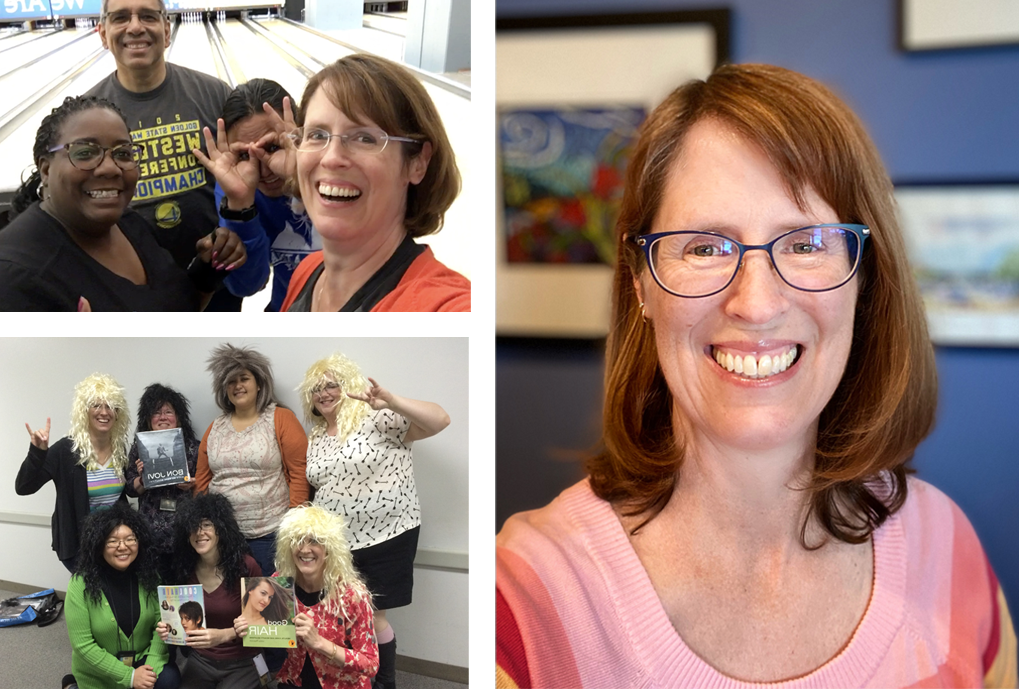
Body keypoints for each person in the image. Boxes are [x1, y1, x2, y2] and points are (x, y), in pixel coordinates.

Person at [495, 64, 1019, 688]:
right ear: (641, 285)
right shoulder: (528, 597)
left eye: (804, 243)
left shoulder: (946, 546)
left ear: (864, 280)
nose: (757, 304)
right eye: (706, 246)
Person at [0, 95, 245, 311]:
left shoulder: (128, 224)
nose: (110, 168)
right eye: (84, 153)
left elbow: (173, 310)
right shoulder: (16, 274)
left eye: (122, 153)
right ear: (45, 169)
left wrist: (208, 270)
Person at [300, 353, 450, 689]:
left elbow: (441, 420)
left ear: (347, 386)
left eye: (331, 385)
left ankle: (384, 682)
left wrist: (392, 400)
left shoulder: (377, 417)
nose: (323, 393)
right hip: (336, 544)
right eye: (316, 389)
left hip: (387, 535)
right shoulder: (317, 436)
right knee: (343, 614)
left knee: (374, 615)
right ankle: (350, 678)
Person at [86, 0, 248, 311]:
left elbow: (248, 182)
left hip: (217, 272)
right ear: (103, 33)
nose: (135, 26)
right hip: (133, 284)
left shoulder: (215, 93)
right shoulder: (86, 114)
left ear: (167, 29)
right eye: (121, 17)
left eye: (148, 15)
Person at [278, 54, 470, 312]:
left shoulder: (446, 306)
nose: (332, 158)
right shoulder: (308, 271)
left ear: (417, 163)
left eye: (364, 138)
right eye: (317, 135)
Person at [194, 78, 322, 311]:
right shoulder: (235, 183)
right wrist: (241, 206)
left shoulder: (328, 167)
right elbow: (246, 285)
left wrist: (304, 177)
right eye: (244, 156)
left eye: (273, 148)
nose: (263, 169)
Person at [196, 344, 309, 577]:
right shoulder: (214, 428)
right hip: (224, 536)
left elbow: (299, 472)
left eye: (244, 379)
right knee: (232, 602)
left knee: (272, 603)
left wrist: (294, 523)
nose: (238, 386)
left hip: (269, 534)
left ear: (259, 384)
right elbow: (202, 480)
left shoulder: (280, 418)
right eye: (231, 381)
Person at [235, 504, 377, 689]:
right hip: (295, 679)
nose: (304, 549)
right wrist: (247, 626)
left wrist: (320, 643)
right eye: (297, 540)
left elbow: (371, 664)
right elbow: (267, 629)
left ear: (329, 548)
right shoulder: (280, 585)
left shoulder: (351, 595)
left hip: (342, 684)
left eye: (315, 541)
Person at [17, 373, 131, 572]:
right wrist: (37, 453)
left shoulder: (119, 449)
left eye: (110, 406)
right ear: (84, 411)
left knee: (111, 598)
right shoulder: (66, 450)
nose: (104, 412)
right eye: (96, 405)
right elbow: (24, 487)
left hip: (113, 543)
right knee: (90, 597)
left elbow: (124, 493)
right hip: (79, 546)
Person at [65, 503, 179, 689]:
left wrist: (148, 670)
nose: (123, 546)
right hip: (100, 673)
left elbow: (163, 626)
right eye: (112, 541)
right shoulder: (80, 583)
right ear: (99, 545)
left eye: (130, 539)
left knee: (169, 680)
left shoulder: (150, 577)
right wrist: (130, 676)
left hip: (142, 662)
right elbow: (82, 645)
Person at [159, 492, 263, 688]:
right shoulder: (184, 570)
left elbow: (265, 624)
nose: (199, 533)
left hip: (243, 660)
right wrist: (170, 629)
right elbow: (185, 625)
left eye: (206, 525)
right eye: (193, 527)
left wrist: (225, 634)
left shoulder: (246, 567)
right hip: (201, 660)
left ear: (221, 529)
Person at [125, 383, 200, 574]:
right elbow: (130, 490)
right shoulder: (139, 448)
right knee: (153, 586)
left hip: (184, 533)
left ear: (179, 417)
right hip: (149, 534)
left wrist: (192, 484)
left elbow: (206, 484)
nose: (163, 417)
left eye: (168, 412)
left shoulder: (194, 447)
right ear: (148, 419)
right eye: (157, 412)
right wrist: (142, 479)